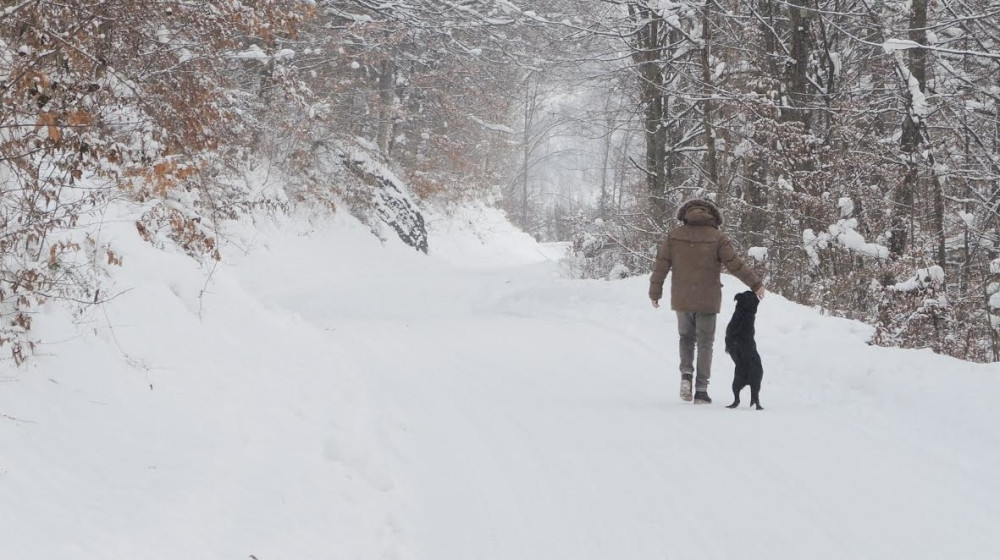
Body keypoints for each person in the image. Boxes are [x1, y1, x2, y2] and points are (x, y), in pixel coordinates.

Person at [649, 199, 765, 404]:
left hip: (682, 296)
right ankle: (701, 390)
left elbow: (661, 265)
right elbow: (734, 264)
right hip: (708, 298)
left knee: (685, 337)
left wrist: (655, 292)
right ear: (712, 216)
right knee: (705, 342)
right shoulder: (718, 237)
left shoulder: (674, 235)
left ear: (685, 214)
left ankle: (686, 375)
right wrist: (755, 284)